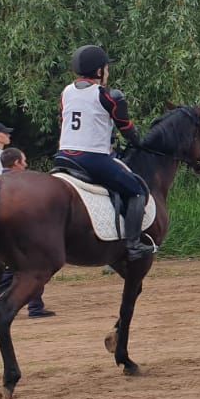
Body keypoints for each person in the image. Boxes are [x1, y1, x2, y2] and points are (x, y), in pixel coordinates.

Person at [56, 44, 154, 261]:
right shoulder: (109, 96)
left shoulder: (66, 92)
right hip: (91, 158)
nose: (108, 72)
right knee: (136, 191)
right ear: (99, 71)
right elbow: (125, 127)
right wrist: (139, 143)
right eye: (106, 68)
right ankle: (134, 245)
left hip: (63, 156)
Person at [0, 146, 54, 317]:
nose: (26, 164)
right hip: (20, 235)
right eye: (24, 161)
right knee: (31, 267)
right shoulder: (22, 184)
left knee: (16, 269)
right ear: (16, 163)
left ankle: (34, 306)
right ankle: (34, 307)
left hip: (2, 235)